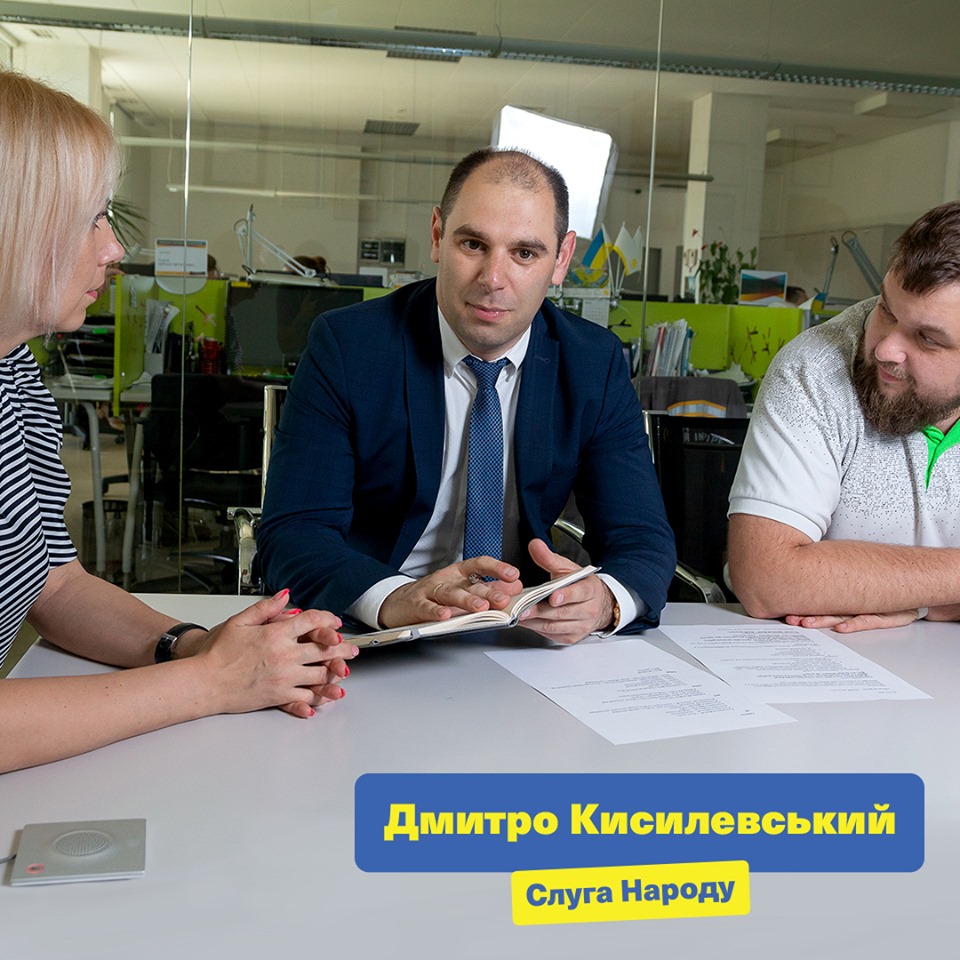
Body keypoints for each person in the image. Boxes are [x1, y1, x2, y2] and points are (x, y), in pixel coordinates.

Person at [0, 69, 357, 774]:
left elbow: (55, 584)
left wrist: (197, 646)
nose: (112, 249)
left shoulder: (16, 375)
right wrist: (208, 684)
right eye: (90, 219)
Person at [258, 147, 675, 644]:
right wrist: (393, 598)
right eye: (474, 244)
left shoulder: (592, 362)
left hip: (521, 636)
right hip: (379, 633)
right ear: (438, 235)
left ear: (561, 259)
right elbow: (294, 532)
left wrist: (604, 600)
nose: (493, 280)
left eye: (524, 253)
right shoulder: (349, 347)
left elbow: (642, 538)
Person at [728, 200, 960, 633]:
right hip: (821, 651)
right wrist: (941, 597)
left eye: (928, 339)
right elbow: (766, 578)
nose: (886, 349)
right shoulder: (813, 367)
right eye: (886, 309)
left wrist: (914, 603)